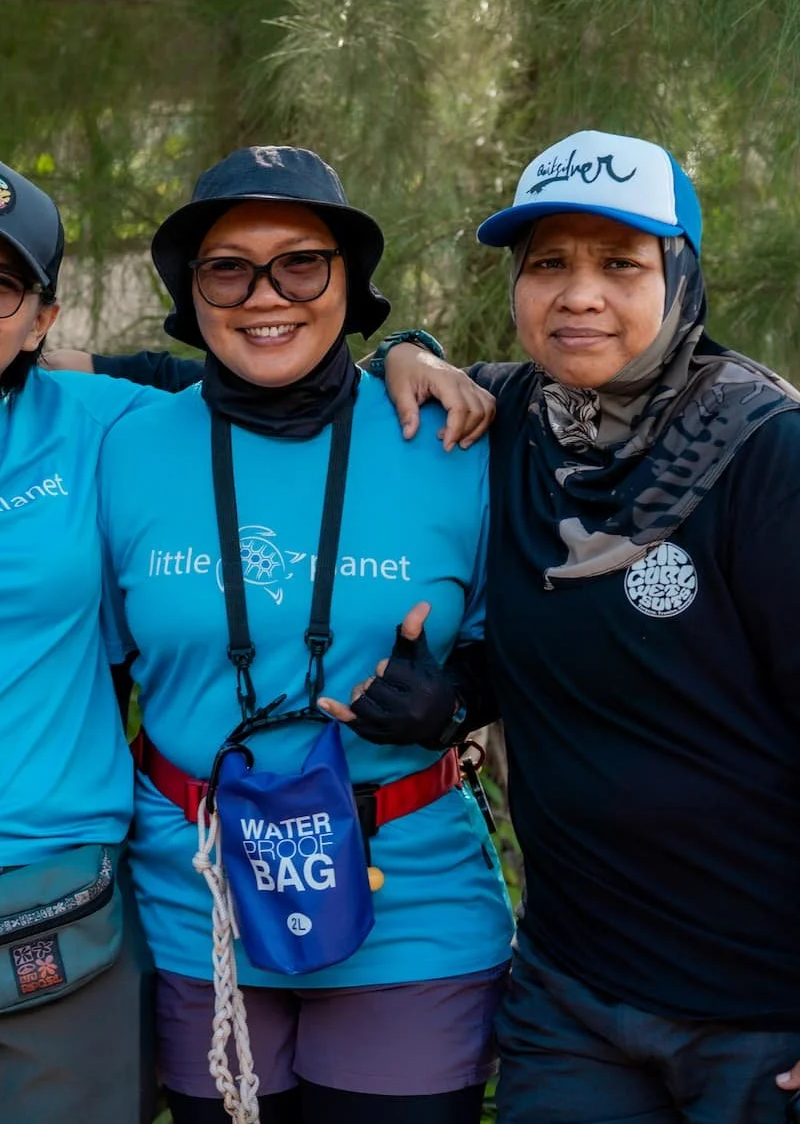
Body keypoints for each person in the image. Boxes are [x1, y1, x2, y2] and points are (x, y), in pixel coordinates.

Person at [0, 159, 496, 1123]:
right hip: (157, 895)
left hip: (350, 894)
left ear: (42, 316)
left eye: (0, 282)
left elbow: (291, 381)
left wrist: (409, 349)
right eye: (227, 270)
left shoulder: (442, 436)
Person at [422, 131, 800, 1124]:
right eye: (547, 262)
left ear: (680, 276)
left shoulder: (769, 457)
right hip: (580, 990)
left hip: (790, 999)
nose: (578, 292)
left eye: (619, 264)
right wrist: (403, 357)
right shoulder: (510, 421)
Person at [96, 147, 515, 1124]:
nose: (264, 294)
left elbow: (527, 651)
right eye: (226, 267)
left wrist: (454, 701)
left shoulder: (452, 439)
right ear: (188, 292)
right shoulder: (123, 446)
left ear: (348, 282)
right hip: (193, 902)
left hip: (410, 903)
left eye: (300, 262)